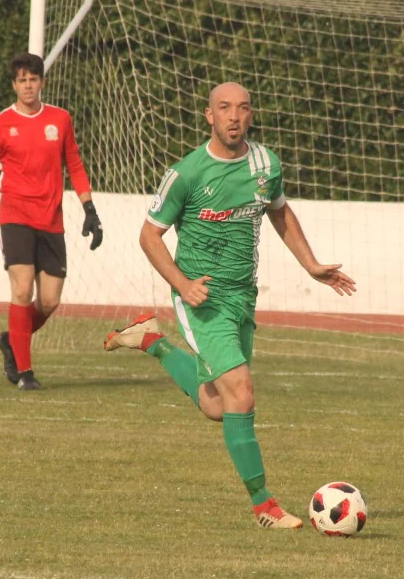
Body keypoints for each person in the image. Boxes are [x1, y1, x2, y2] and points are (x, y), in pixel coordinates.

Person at [104, 82, 356, 529]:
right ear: (209, 116)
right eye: (224, 108)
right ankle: (265, 505)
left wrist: (311, 264)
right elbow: (149, 235)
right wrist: (182, 284)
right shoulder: (187, 173)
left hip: (243, 295)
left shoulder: (265, 165)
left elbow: (279, 211)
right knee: (242, 391)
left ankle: (151, 342)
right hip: (200, 297)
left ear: (251, 115)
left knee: (216, 406)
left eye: (242, 108)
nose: (234, 116)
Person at [0, 52, 103, 391]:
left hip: (51, 218)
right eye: (22, 80)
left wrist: (89, 209)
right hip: (15, 215)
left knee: (49, 301)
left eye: (33, 79)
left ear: (41, 83)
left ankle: (11, 340)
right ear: (14, 85)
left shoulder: (60, 120)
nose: (28, 85)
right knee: (22, 289)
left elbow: (75, 165)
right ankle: (24, 372)